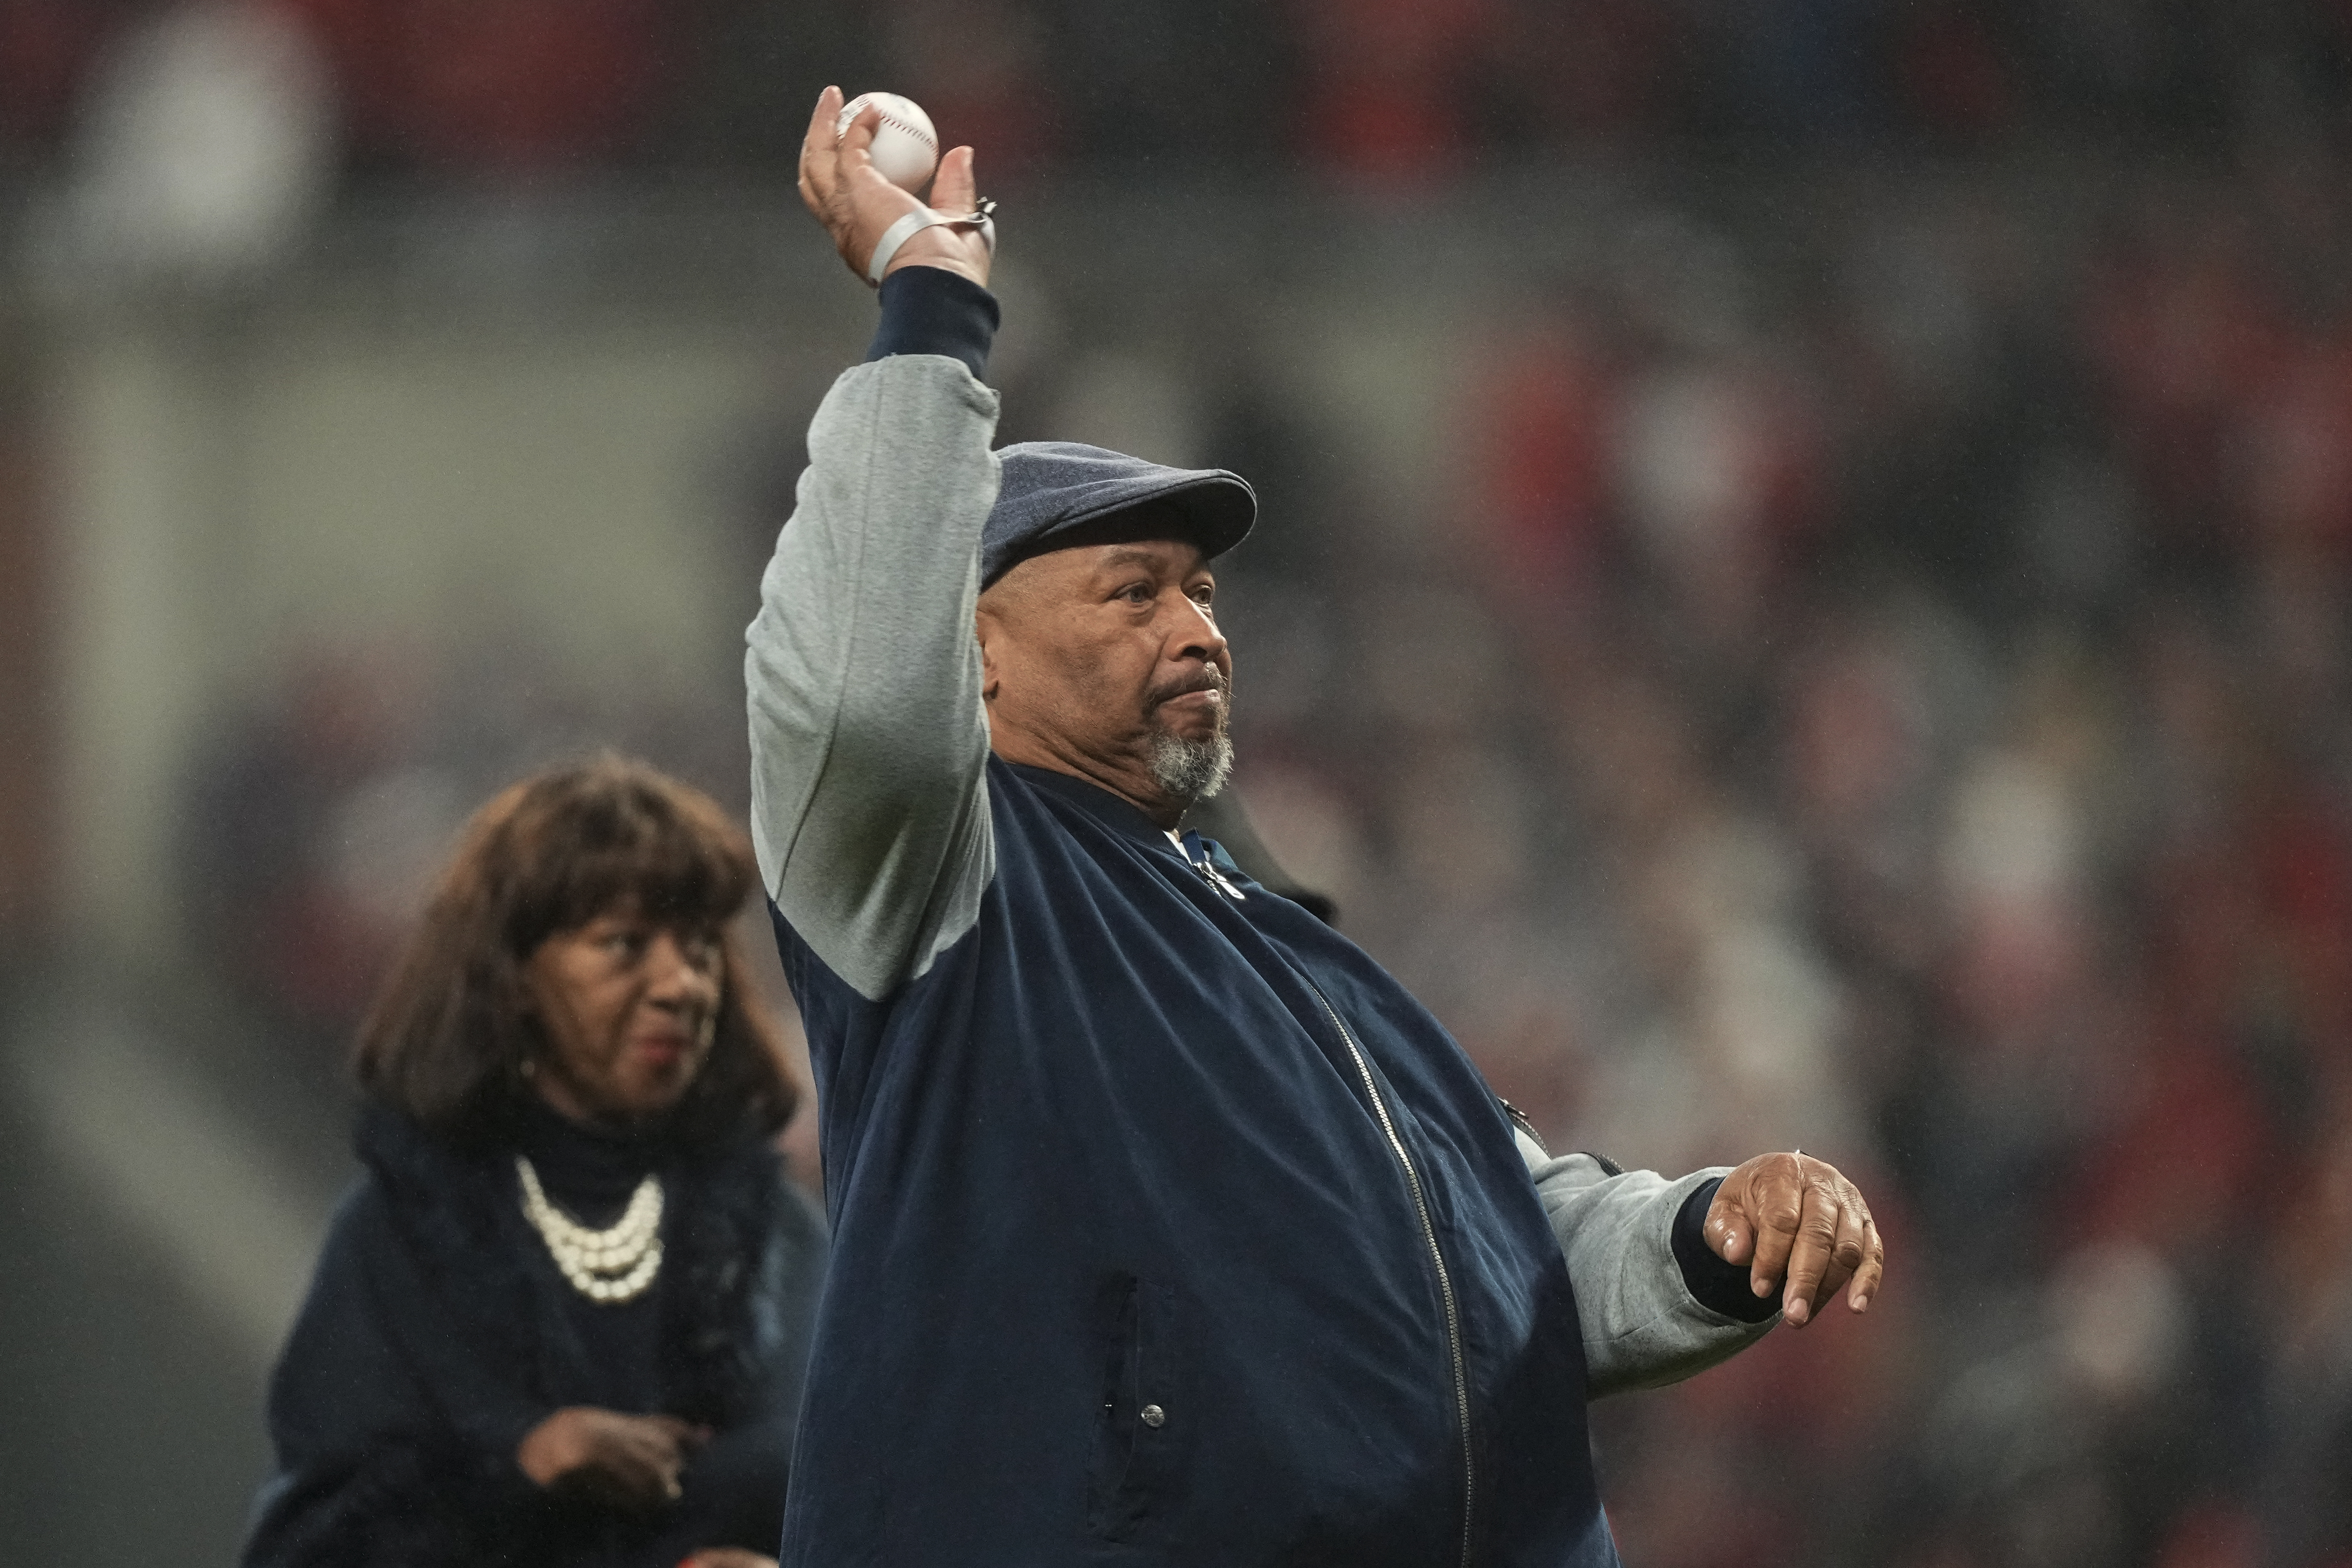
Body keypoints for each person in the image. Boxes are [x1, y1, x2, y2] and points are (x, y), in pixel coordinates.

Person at [747, 90, 1886, 1565]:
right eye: (1133, 590)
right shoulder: (948, 896)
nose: (1199, 626)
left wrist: (1709, 1232)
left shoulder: (1284, 941)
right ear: (971, 653)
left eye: (1204, 593)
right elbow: (852, 701)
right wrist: (932, 305)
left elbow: (1503, 1234)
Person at [243, 757, 827, 1568]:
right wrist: (526, 1464)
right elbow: (307, 1547)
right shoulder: (401, 1240)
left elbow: (886, 1500)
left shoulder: (777, 1235)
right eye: (624, 944)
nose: (679, 983)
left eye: (698, 947)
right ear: (514, 977)